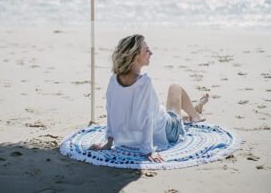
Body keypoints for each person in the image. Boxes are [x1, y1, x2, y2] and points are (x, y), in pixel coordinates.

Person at [89, 34, 209, 163]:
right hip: (168, 130)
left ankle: (194, 110)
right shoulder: (144, 83)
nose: (151, 53)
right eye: (147, 50)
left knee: (166, 112)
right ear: (135, 56)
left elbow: (111, 111)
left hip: (148, 127)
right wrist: (148, 150)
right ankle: (195, 115)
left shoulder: (113, 80)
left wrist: (109, 142)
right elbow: (147, 118)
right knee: (175, 88)